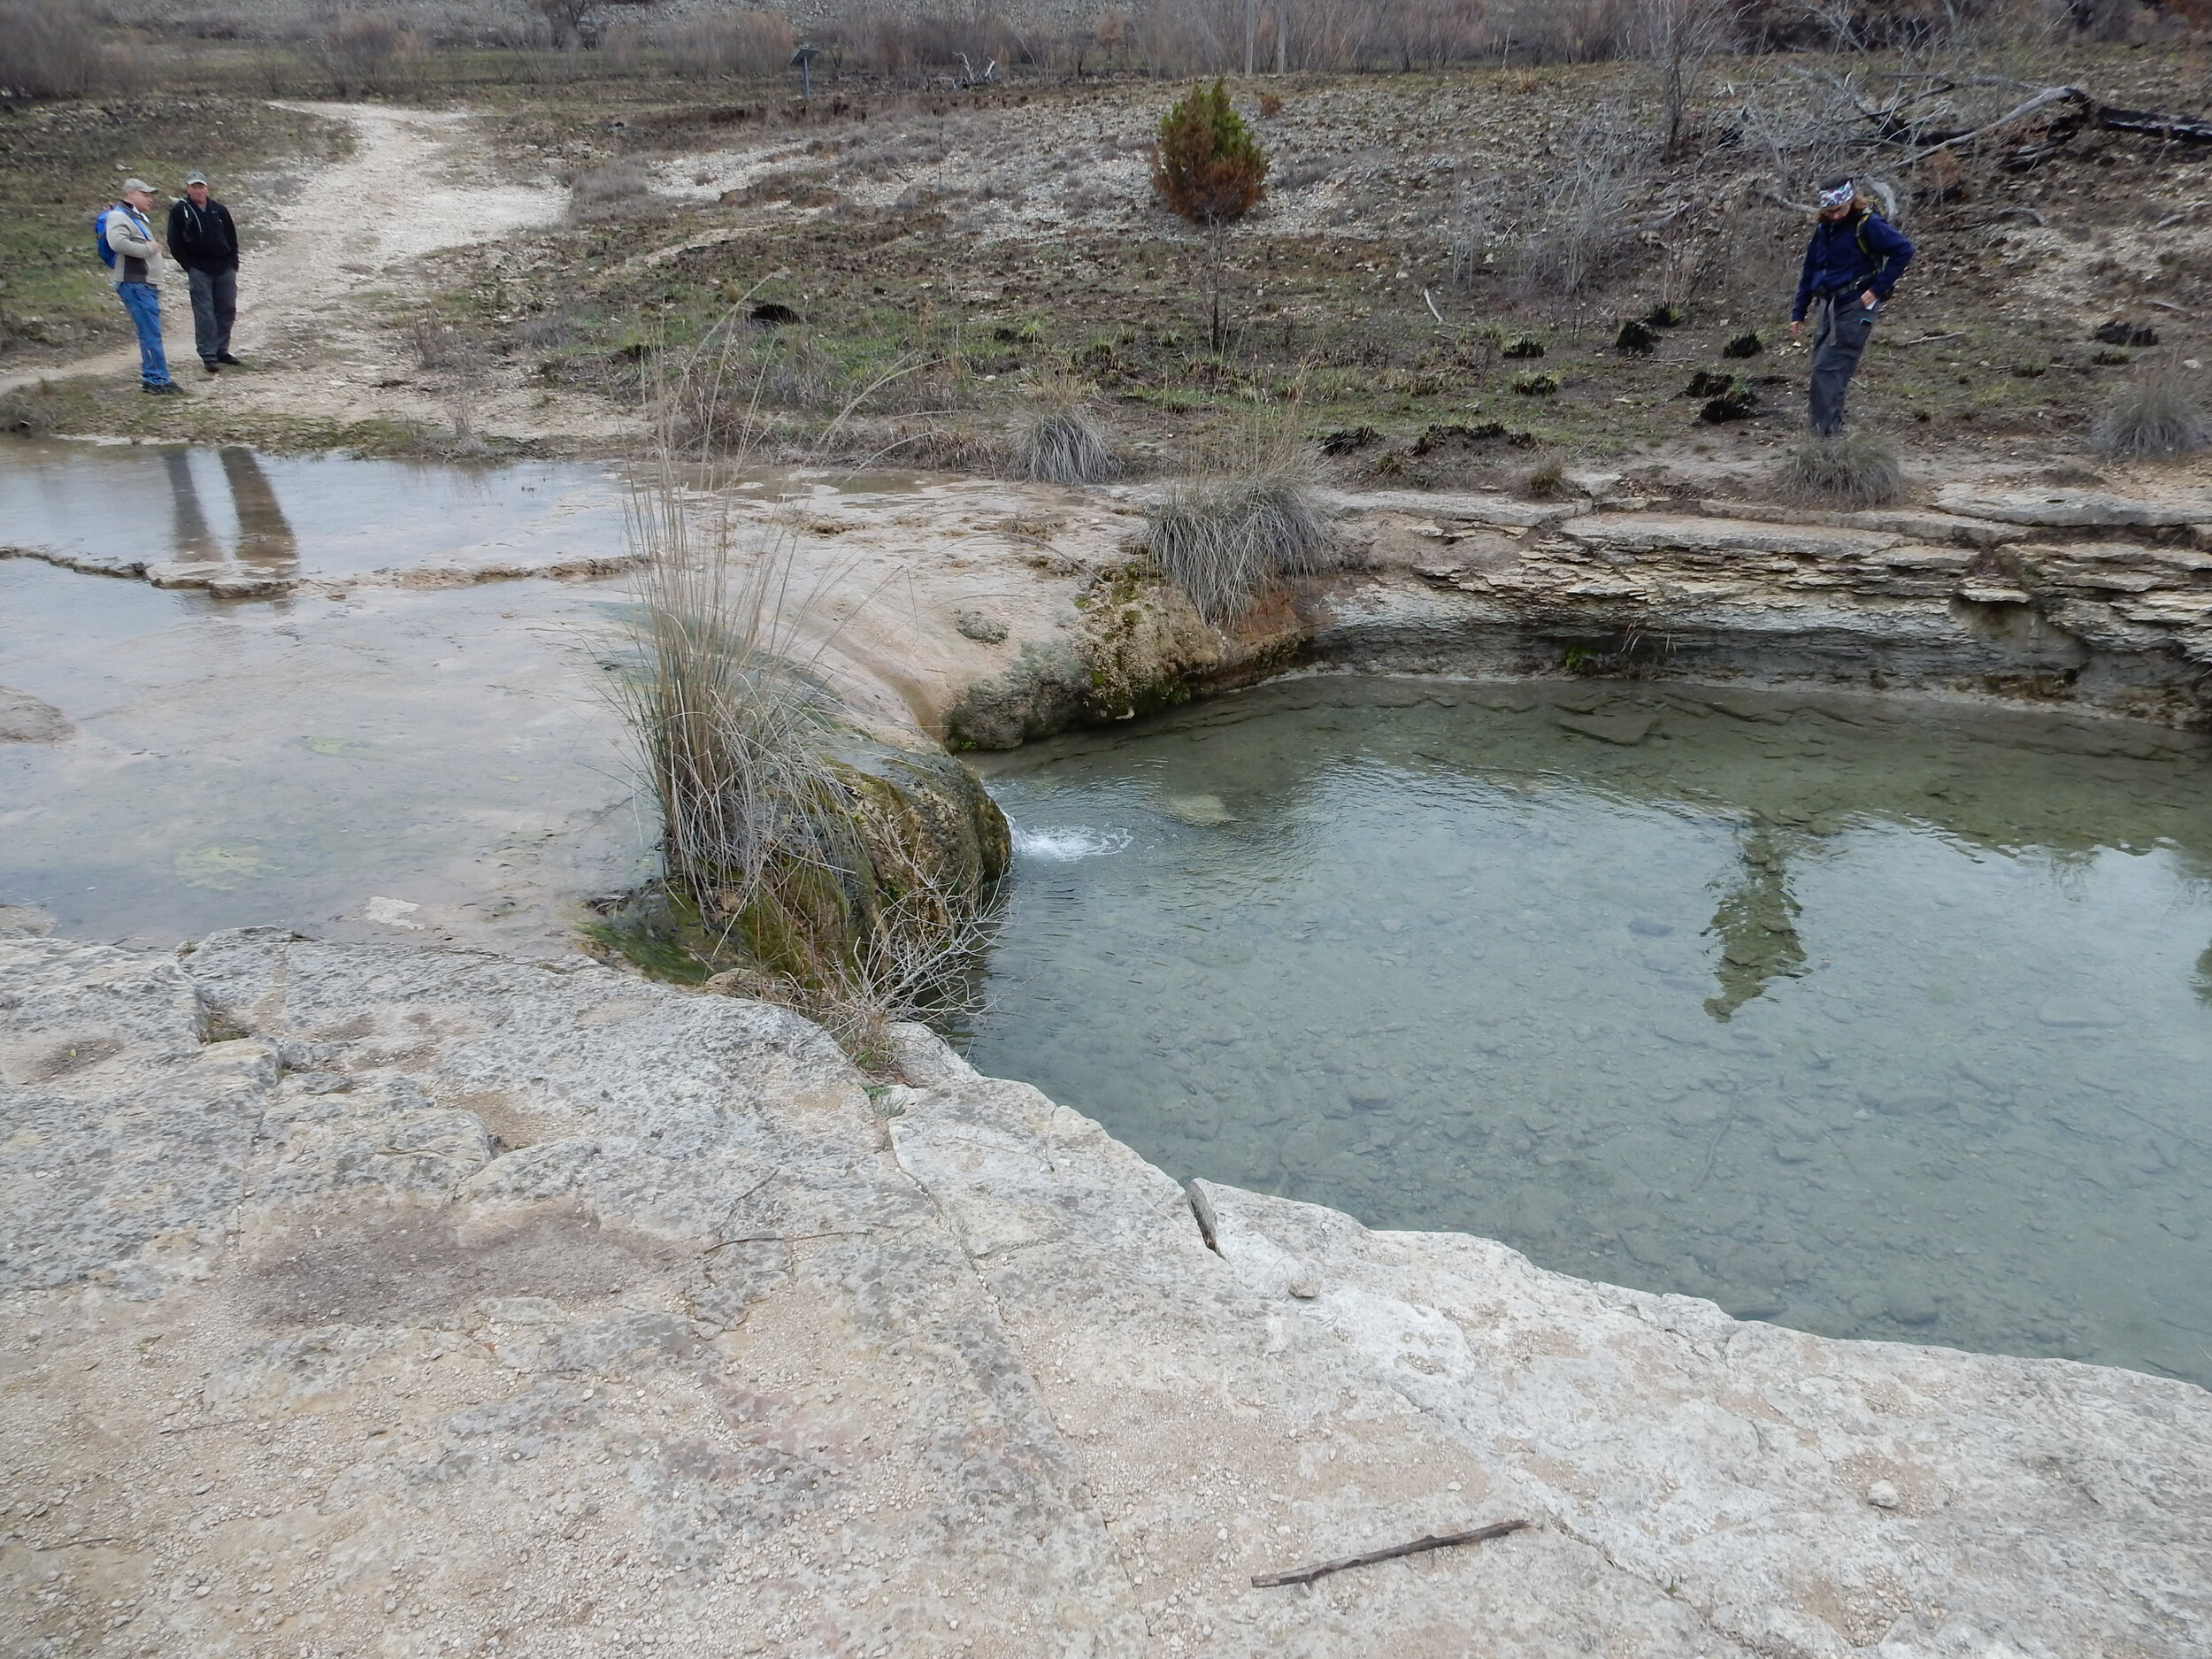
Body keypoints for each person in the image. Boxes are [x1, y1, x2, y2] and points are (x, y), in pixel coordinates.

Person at [1789, 177, 1914, 436]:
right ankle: (1828, 439)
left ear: (1850, 201)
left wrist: (1877, 289)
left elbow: (1904, 250)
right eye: (1829, 211)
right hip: (1827, 307)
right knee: (1822, 372)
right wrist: (1799, 311)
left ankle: (1824, 445)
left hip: (1855, 307)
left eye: (1839, 210)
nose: (1835, 216)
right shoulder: (1824, 229)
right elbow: (1811, 269)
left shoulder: (1868, 224)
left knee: (1828, 371)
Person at [99, 180, 177, 395]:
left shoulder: (133, 217)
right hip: (135, 283)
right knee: (150, 332)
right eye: (146, 194)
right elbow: (117, 243)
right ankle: (157, 380)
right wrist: (148, 248)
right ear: (131, 194)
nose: (150, 198)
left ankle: (154, 377)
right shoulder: (119, 216)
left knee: (150, 331)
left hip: (142, 284)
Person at [166, 170, 242, 374]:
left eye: (201, 186)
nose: (198, 190)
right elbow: (174, 241)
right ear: (188, 188)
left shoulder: (219, 210)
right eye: (194, 186)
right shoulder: (180, 210)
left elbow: (231, 237)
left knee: (227, 309)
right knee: (205, 313)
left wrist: (233, 262)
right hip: (199, 269)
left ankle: (221, 351)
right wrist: (189, 265)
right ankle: (208, 355)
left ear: (207, 188)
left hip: (224, 267)